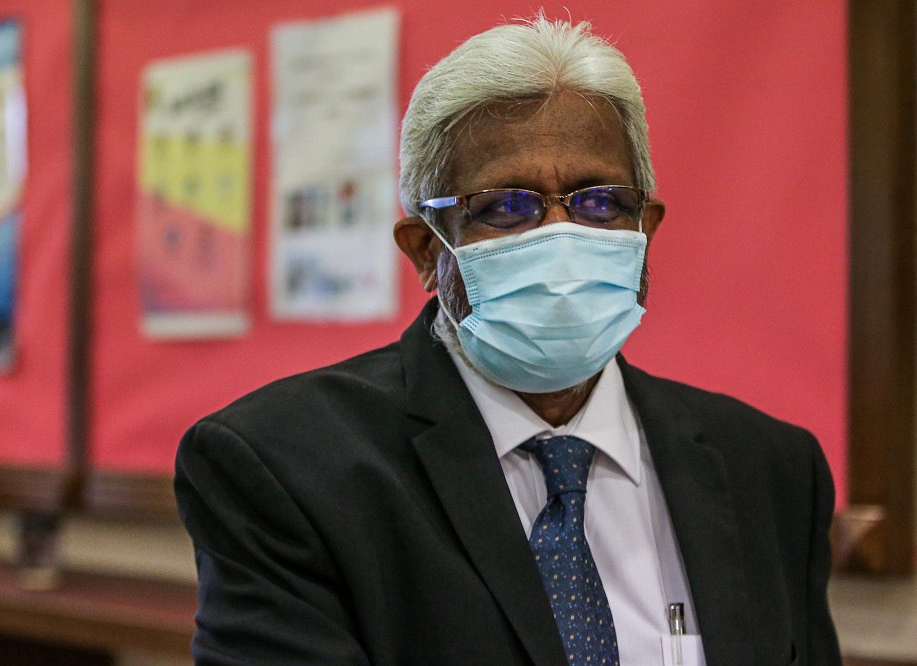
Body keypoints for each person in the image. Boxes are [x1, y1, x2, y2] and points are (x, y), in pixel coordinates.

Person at [175, 16, 841, 666]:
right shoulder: (284, 468)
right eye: (505, 207)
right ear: (425, 250)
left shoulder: (771, 470)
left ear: (645, 230)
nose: (560, 236)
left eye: (599, 203)